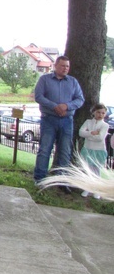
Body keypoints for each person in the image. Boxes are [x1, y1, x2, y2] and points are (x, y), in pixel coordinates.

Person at [33, 56, 84, 186]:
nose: (65, 68)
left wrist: (66, 106)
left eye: (67, 66)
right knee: (45, 150)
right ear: (56, 66)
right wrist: (54, 106)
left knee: (65, 151)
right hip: (48, 119)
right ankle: (40, 179)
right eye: (62, 66)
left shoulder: (73, 82)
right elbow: (38, 96)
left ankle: (61, 181)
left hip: (67, 121)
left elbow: (80, 99)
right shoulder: (45, 79)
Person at [78, 103, 108, 198]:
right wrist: (92, 133)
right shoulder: (88, 122)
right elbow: (81, 132)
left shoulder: (104, 125)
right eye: (98, 112)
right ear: (94, 112)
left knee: (96, 170)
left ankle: (96, 190)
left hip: (99, 150)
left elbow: (100, 138)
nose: (100, 115)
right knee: (88, 169)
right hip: (88, 148)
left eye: (103, 113)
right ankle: (87, 188)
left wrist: (89, 136)